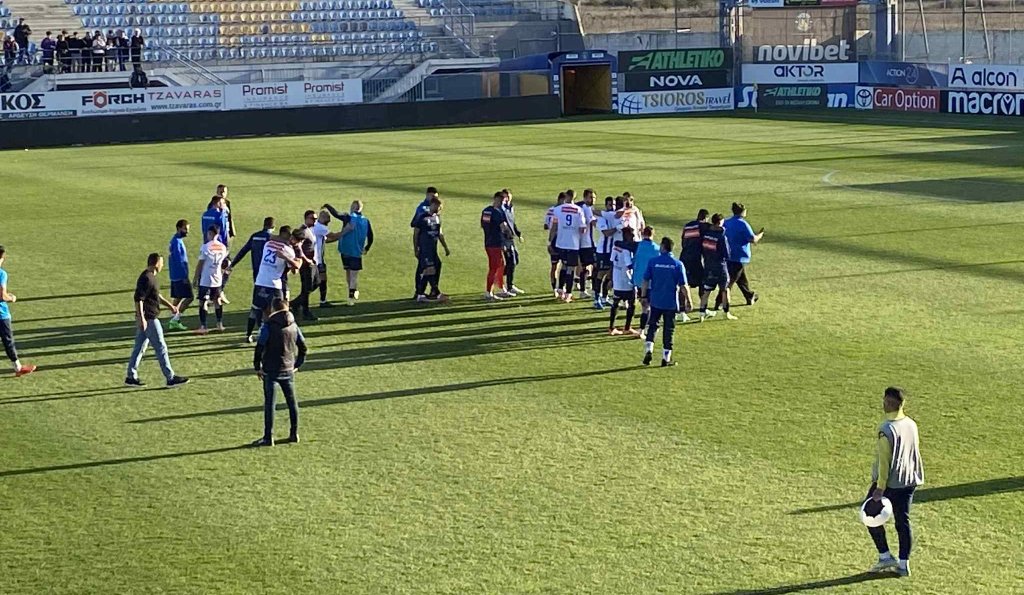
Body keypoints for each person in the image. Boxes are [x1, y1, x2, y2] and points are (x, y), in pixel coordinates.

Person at [866, 386, 924, 578]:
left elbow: (885, 462)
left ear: (888, 402)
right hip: (909, 479)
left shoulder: (886, 429)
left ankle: (885, 556)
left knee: (869, 515)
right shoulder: (911, 424)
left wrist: (880, 487)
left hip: (891, 483)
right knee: (903, 521)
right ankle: (904, 564)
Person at [125, 253, 189, 388]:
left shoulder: (152, 277)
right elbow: (138, 299)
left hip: (147, 318)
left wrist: (170, 306)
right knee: (161, 347)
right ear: (156, 263)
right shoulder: (146, 278)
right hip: (149, 319)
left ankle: (131, 376)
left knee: (139, 348)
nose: (163, 265)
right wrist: (142, 318)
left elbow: (157, 296)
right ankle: (170, 378)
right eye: (161, 263)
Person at [251, 298, 306, 447]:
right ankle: (294, 434)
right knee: (292, 403)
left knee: (270, 404)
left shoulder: (268, 326)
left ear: (273, 309)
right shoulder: (293, 325)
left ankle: (268, 437)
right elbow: (303, 347)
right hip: (288, 369)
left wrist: (257, 366)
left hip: (271, 370)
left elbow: (259, 347)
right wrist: (297, 364)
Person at [245, 226, 303, 343]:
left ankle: (249, 334)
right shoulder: (288, 250)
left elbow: (271, 237)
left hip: (260, 281)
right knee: (279, 311)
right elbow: (295, 269)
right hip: (274, 284)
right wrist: (291, 257)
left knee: (256, 308)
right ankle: (275, 335)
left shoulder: (268, 244)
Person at [640, 237, 687, 367]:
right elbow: (683, 285)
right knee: (668, 330)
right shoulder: (677, 264)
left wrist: (643, 296)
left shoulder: (653, 262)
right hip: (670, 302)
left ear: (663, 247)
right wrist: (688, 300)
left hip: (655, 300)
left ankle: (649, 349)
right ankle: (666, 358)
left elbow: (645, 280)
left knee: (653, 326)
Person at [326, 200, 373, 306]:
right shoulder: (366, 221)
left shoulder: (348, 217)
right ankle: (351, 296)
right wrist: (367, 248)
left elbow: (336, 214)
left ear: (353, 207)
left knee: (348, 273)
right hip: (356, 252)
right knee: (353, 275)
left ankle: (351, 293)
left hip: (345, 250)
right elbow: (371, 236)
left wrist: (327, 206)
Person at [0, 246, 37, 377]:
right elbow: (2, 296)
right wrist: (11, 298)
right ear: (2, 257)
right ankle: (18, 368)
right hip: (1, 315)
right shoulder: (1, 274)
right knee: (8, 341)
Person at [721, 202, 764, 307]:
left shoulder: (726, 222)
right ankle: (720, 302)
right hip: (739, 256)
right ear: (743, 212)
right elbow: (752, 239)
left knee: (741, 279)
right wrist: (760, 235)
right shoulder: (743, 224)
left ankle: (749, 296)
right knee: (730, 281)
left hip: (728, 254)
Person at [698, 213, 737, 321]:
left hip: (708, 266)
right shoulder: (721, 237)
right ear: (720, 223)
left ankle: (701, 313)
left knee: (707, 290)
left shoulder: (706, 235)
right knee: (725, 290)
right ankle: (726, 313)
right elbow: (727, 254)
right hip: (720, 267)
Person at [192, 225, 230, 334]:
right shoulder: (223, 247)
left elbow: (200, 264)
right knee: (217, 300)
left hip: (206, 279)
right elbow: (224, 263)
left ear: (210, 233)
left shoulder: (206, 247)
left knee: (203, 301)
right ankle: (219, 324)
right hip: (217, 278)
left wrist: (195, 278)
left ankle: (203, 326)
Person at [549, 192, 586, 303]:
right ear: (574, 197)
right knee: (570, 269)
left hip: (561, 243)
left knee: (564, 265)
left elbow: (554, 226)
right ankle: (568, 294)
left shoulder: (558, 209)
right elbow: (583, 229)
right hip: (573, 244)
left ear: (566, 197)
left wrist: (550, 241)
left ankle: (560, 289)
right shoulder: (579, 210)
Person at [413, 196, 451, 302]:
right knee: (429, 269)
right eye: (438, 207)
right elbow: (416, 234)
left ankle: (424, 293)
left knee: (436, 266)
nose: (439, 209)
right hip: (425, 249)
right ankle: (433, 292)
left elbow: (440, 234)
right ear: (432, 205)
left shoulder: (437, 218)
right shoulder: (422, 218)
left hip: (433, 249)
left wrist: (445, 247)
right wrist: (416, 248)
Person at [481, 191, 514, 301]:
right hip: (495, 243)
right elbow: (503, 227)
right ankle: (489, 292)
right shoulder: (497, 212)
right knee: (494, 267)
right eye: (502, 201)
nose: (502, 203)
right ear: (497, 199)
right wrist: (509, 235)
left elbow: (484, 225)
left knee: (501, 264)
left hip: (488, 242)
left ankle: (501, 287)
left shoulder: (486, 211)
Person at [607, 227, 639, 336]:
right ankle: (627, 327)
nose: (633, 237)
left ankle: (611, 328)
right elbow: (629, 265)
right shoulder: (626, 250)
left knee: (615, 303)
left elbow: (612, 262)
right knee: (632, 303)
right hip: (626, 280)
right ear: (626, 235)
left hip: (617, 280)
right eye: (631, 234)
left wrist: (611, 279)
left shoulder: (615, 247)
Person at [409, 186, 439, 297]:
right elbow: (414, 224)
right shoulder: (422, 209)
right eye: (433, 197)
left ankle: (429, 290)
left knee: (433, 265)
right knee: (425, 267)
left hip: (432, 244)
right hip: (424, 244)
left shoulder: (435, 208)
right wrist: (416, 246)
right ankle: (423, 291)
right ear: (427, 195)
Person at [289, 210, 319, 322]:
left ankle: (294, 304)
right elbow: (297, 246)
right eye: (312, 219)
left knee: (317, 282)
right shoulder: (303, 231)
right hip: (306, 264)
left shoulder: (310, 230)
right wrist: (306, 259)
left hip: (312, 262)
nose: (315, 221)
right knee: (307, 288)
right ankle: (305, 312)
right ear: (306, 218)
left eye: (316, 219)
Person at [592, 196, 618, 309]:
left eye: (614, 205)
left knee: (610, 273)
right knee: (601, 274)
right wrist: (617, 228)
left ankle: (604, 297)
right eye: (610, 205)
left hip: (612, 251)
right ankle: (596, 298)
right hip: (603, 251)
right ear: (606, 206)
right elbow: (606, 233)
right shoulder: (602, 219)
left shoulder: (615, 217)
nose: (612, 207)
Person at [167, 219, 193, 331]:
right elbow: (179, 261)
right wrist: (185, 276)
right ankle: (175, 319)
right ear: (179, 228)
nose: (187, 232)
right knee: (190, 297)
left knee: (178, 297)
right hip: (180, 275)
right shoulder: (177, 242)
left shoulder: (175, 240)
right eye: (185, 229)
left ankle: (173, 319)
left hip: (174, 274)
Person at [681, 209, 709, 313]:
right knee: (702, 281)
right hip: (695, 258)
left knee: (683, 282)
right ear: (706, 218)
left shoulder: (688, 225)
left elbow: (683, 241)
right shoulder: (703, 226)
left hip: (684, 256)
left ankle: (682, 308)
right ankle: (703, 307)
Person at [230, 217, 275, 282]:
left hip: (256, 269)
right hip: (267, 271)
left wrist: (232, 264)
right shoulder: (272, 239)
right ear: (273, 227)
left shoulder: (255, 236)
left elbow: (243, 251)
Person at [633, 226, 660, 329]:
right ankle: (645, 328)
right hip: (651, 282)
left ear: (642, 233)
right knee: (649, 306)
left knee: (644, 305)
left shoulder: (638, 246)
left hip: (639, 280)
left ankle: (644, 326)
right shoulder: (656, 249)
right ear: (653, 234)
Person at [500, 189, 525, 296]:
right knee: (511, 262)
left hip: (511, 238)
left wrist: (518, 234)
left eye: (508, 196)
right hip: (505, 239)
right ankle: (506, 284)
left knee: (515, 261)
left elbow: (512, 222)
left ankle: (502, 280)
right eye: (505, 197)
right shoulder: (501, 209)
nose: (507, 198)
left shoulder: (510, 207)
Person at [575, 188, 598, 301]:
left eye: (594, 197)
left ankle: (582, 290)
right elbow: (593, 223)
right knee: (596, 266)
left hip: (580, 243)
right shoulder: (587, 208)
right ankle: (593, 290)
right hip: (587, 244)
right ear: (585, 198)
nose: (592, 200)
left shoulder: (579, 207)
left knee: (584, 267)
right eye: (590, 197)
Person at [543, 192, 567, 296]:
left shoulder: (551, 210)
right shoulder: (560, 210)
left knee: (557, 266)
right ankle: (558, 288)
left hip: (555, 241)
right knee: (560, 265)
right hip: (560, 241)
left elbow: (546, 225)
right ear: (561, 199)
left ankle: (558, 288)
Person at [311, 210, 332, 307]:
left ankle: (323, 301)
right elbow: (332, 236)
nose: (329, 221)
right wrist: (346, 231)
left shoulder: (317, 227)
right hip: (317, 259)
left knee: (322, 280)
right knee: (317, 282)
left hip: (319, 259)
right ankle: (299, 301)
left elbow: (326, 240)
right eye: (328, 218)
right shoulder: (320, 227)